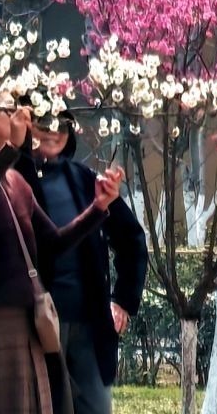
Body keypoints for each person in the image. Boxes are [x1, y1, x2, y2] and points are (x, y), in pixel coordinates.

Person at [0, 92, 124, 414]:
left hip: (22, 320)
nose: (21, 116)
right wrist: (11, 148)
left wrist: (98, 207)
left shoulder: (15, 179)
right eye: (10, 110)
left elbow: (53, 242)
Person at [16, 112, 147, 414]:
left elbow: (131, 238)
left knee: (95, 406)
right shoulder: (13, 179)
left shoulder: (84, 179)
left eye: (62, 124)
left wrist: (123, 300)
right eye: (44, 123)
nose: (53, 131)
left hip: (89, 322)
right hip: (35, 322)